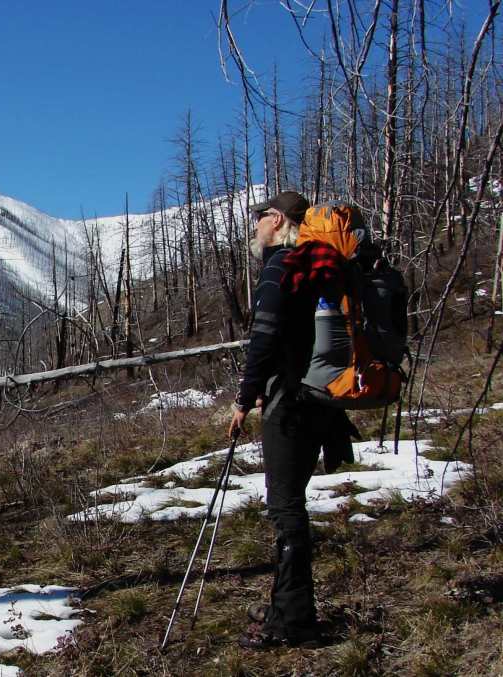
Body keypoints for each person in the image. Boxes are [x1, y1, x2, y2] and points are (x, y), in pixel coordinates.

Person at [228, 190, 329, 649]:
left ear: (276, 220)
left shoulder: (278, 268)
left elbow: (263, 338)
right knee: (292, 504)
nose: (255, 225)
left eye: (259, 217)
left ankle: (295, 622)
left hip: (288, 399)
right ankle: (288, 608)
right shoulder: (309, 269)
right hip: (318, 397)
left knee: (285, 509)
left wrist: (243, 399)